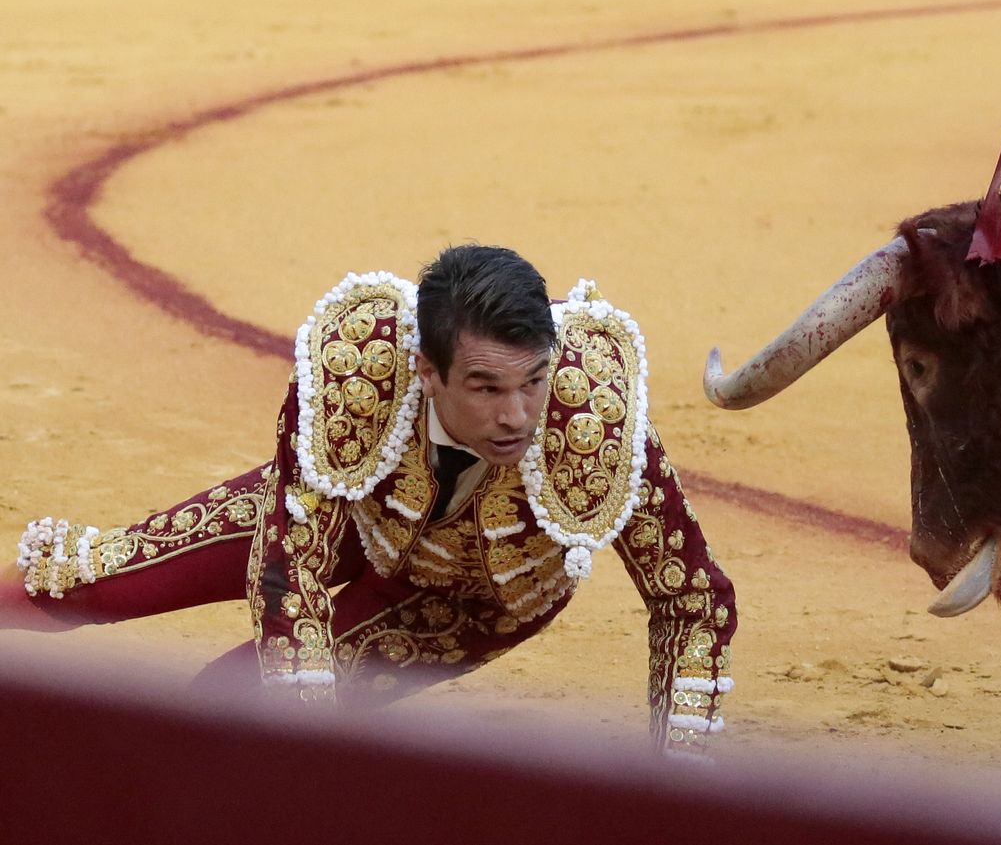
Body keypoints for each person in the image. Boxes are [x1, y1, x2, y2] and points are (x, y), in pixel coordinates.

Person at [2, 245, 735, 757]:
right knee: (94, 574)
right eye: (486, 386)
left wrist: (681, 780)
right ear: (426, 370)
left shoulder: (593, 415)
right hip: (356, 513)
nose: (518, 414)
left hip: (480, 595)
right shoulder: (360, 373)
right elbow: (291, 568)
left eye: (533, 380)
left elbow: (693, 600)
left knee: (223, 701)